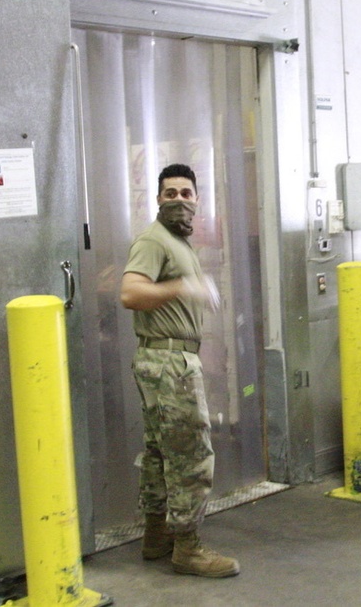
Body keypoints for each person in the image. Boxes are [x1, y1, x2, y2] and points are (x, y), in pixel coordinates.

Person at [120, 163, 238, 578]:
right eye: (170, 194)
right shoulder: (154, 241)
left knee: (159, 452)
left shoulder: (177, 242)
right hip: (169, 363)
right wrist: (184, 287)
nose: (179, 201)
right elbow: (130, 293)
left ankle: (157, 535)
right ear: (158, 200)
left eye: (186, 194)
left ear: (197, 200)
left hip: (167, 360)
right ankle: (188, 547)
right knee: (191, 455)